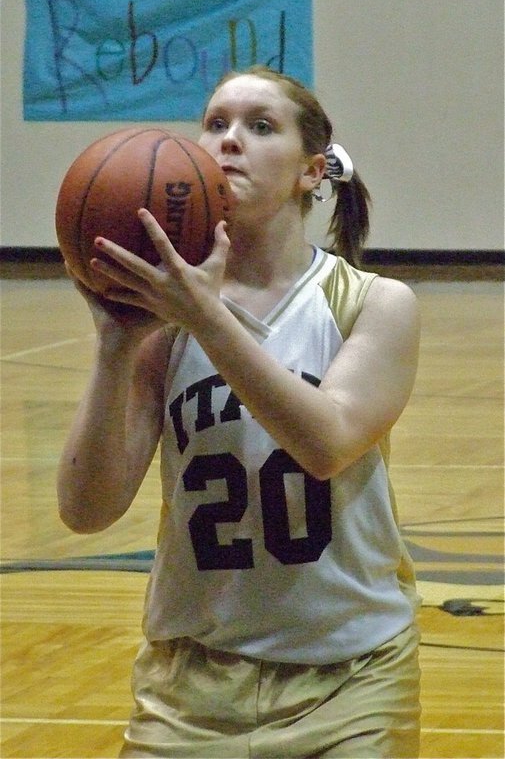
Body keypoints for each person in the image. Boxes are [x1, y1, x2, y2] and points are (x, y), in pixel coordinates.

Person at [57, 65, 422, 759]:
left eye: (259, 127)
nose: (229, 141)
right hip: (189, 683)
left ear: (311, 172)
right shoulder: (161, 328)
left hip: (349, 679)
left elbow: (325, 443)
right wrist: (115, 346)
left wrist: (207, 318)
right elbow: (86, 509)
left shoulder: (372, 303)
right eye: (215, 123)